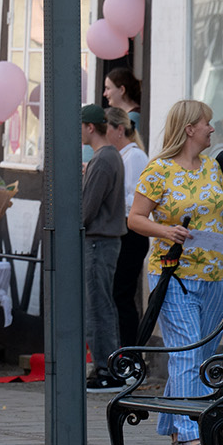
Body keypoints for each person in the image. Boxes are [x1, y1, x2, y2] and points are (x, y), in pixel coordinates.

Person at [126, 99, 223, 445]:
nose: (212, 129)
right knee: (186, 350)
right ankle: (190, 433)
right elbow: (135, 219)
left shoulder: (212, 168)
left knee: (201, 354)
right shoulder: (158, 171)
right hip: (174, 275)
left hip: (216, 274)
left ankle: (173, 422)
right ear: (190, 129)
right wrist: (164, 231)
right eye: (207, 123)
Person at [80, 104, 127, 391]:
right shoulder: (109, 157)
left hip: (98, 241)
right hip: (104, 241)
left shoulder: (104, 159)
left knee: (97, 306)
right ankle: (110, 366)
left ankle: (105, 369)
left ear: (90, 127)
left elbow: (86, 209)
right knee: (102, 304)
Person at [106, 107, 150, 349]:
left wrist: (108, 198)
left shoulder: (134, 157)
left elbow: (134, 200)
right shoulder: (122, 156)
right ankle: (123, 350)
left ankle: (129, 352)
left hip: (131, 232)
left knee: (122, 295)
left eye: (106, 128)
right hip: (123, 231)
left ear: (119, 130)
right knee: (117, 294)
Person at [103, 67, 143, 132]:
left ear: (122, 90)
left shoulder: (133, 118)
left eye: (108, 88)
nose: (104, 94)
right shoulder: (128, 116)